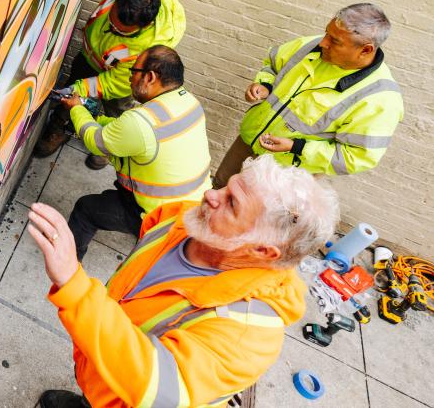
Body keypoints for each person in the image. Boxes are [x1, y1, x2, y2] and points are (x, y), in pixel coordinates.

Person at [26, 155, 339, 408]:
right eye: (224, 187)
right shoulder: (196, 221)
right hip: (103, 369)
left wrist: (74, 286)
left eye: (231, 203)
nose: (210, 195)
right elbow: (152, 228)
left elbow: (157, 389)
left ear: (261, 250)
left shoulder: (248, 337)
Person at [34, 0, 186, 169]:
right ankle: (60, 127)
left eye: (119, 29)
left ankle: (107, 148)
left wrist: (77, 90)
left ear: (142, 27)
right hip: (93, 57)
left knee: (116, 109)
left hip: (123, 78)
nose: (111, 27)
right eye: (111, 20)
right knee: (76, 82)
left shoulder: (146, 51)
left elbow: (109, 84)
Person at [213, 3, 403, 189]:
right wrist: (265, 84)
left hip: (287, 173)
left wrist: (296, 147)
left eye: (335, 41)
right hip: (248, 143)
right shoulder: (310, 46)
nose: (323, 42)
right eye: (327, 33)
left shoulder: (380, 100)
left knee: (252, 217)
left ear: (366, 50)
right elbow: (272, 65)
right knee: (217, 193)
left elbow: (356, 157)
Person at [61, 45, 211, 259]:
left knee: (86, 210)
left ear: (150, 77)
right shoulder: (189, 102)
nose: (130, 79)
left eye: (133, 73)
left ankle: (67, 264)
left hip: (157, 215)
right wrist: (98, 119)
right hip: (193, 207)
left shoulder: (140, 122)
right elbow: (131, 133)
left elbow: (96, 141)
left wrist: (76, 109)